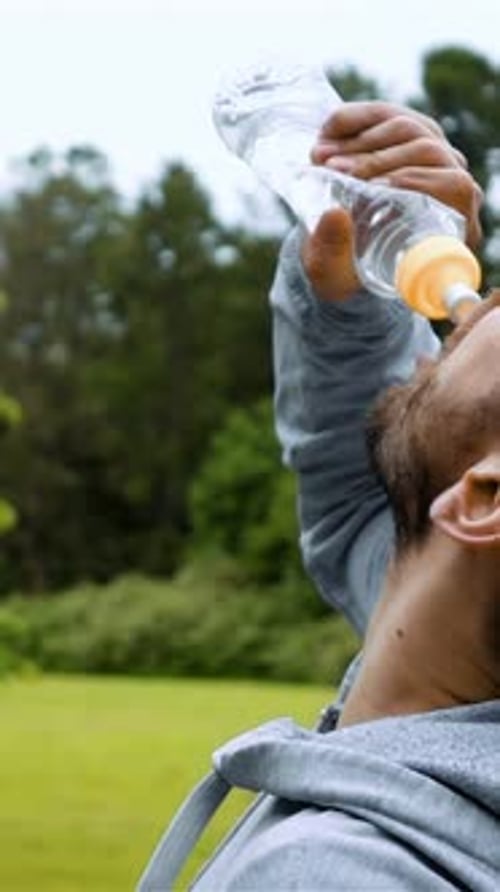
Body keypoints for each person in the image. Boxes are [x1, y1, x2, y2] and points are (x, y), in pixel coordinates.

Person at [137, 103, 499, 890]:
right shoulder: (448, 648)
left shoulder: (330, 874)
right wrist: (351, 290)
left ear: (484, 500)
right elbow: (356, 502)